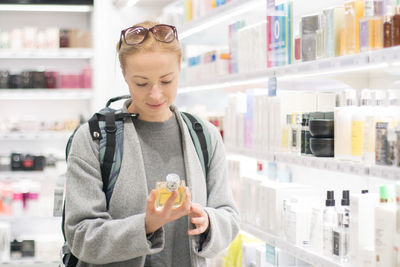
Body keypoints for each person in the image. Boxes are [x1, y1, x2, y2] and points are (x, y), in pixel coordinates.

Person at [64, 21, 240, 267]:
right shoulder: (94, 139)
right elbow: (81, 236)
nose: (156, 94)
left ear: (179, 69)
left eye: (166, 81)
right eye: (142, 83)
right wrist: (147, 225)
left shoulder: (205, 136)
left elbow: (229, 216)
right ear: (125, 75)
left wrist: (209, 222)